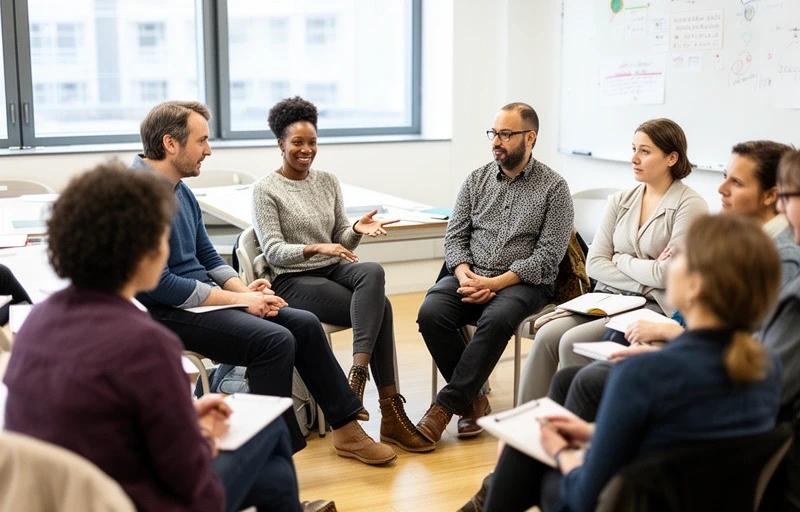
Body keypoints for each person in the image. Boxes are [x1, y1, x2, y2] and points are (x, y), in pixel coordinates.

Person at [3, 162, 335, 512]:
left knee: (271, 477)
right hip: (132, 501)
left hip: (63, 498)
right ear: (149, 249)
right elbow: (189, 479)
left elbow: (97, 415)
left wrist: (186, 414)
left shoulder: (36, 320)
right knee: (269, 431)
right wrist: (201, 437)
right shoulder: (146, 343)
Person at [131, 101, 395, 465]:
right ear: (170, 144)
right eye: (202, 141)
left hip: (200, 300)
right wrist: (237, 302)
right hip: (167, 312)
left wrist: (245, 290)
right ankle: (273, 456)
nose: (208, 150)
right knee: (273, 340)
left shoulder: (179, 188)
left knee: (302, 324)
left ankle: (346, 430)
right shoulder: (140, 195)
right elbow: (160, 287)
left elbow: (208, 256)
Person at [482, 214, 783, 511]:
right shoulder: (767, 368)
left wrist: (561, 452)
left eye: (676, 257)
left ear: (695, 286)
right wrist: (595, 434)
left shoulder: (642, 375)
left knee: (521, 448)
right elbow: (688, 445)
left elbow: (585, 497)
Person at [551, 140, 799, 422]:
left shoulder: (779, 258)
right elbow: (600, 264)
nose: (722, 189)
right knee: (577, 372)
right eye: (723, 177)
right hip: (690, 344)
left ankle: (582, 455)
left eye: (737, 182)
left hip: (715, 375)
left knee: (586, 381)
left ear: (771, 196)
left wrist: (671, 340)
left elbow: (753, 356)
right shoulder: (744, 240)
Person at [250, 96, 432, 452]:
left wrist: (356, 229)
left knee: (373, 272)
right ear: (281, 144)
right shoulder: (265, 189)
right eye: (298, 143)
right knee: (383, 308)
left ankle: (358, 374)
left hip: (333, 270)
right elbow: (272, 250)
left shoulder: (328, 181)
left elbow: (341, 242)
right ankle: (391, 412)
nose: (307, 150)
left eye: (312, 142)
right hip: (292, 279)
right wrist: (317, 248)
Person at [517, 118, 708, 403]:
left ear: (672, 157)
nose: (634, 158)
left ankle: (575, 429)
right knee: (546, 336)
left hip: (654, 306)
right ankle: (525, 424)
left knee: (571, 341)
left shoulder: (690, 205)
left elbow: (668, 276)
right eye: (633, 149)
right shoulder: (620, 200)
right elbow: (595, 264)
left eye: (645, 151)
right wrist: (645, 274)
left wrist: (621, 260)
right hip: (609, 297)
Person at [415, 102, 574, 444]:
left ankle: (444, 408)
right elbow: (454, 236)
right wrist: (463, 274)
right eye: (494, 133)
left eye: (506, 134)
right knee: (431, 313)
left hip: (523, 283)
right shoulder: (476, 180)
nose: (496, 142)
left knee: (496, 319)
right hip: (470, 275)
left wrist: (497, 282)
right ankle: (473, 402)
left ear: (529, 138)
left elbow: (548, 257)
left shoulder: (555, 189)